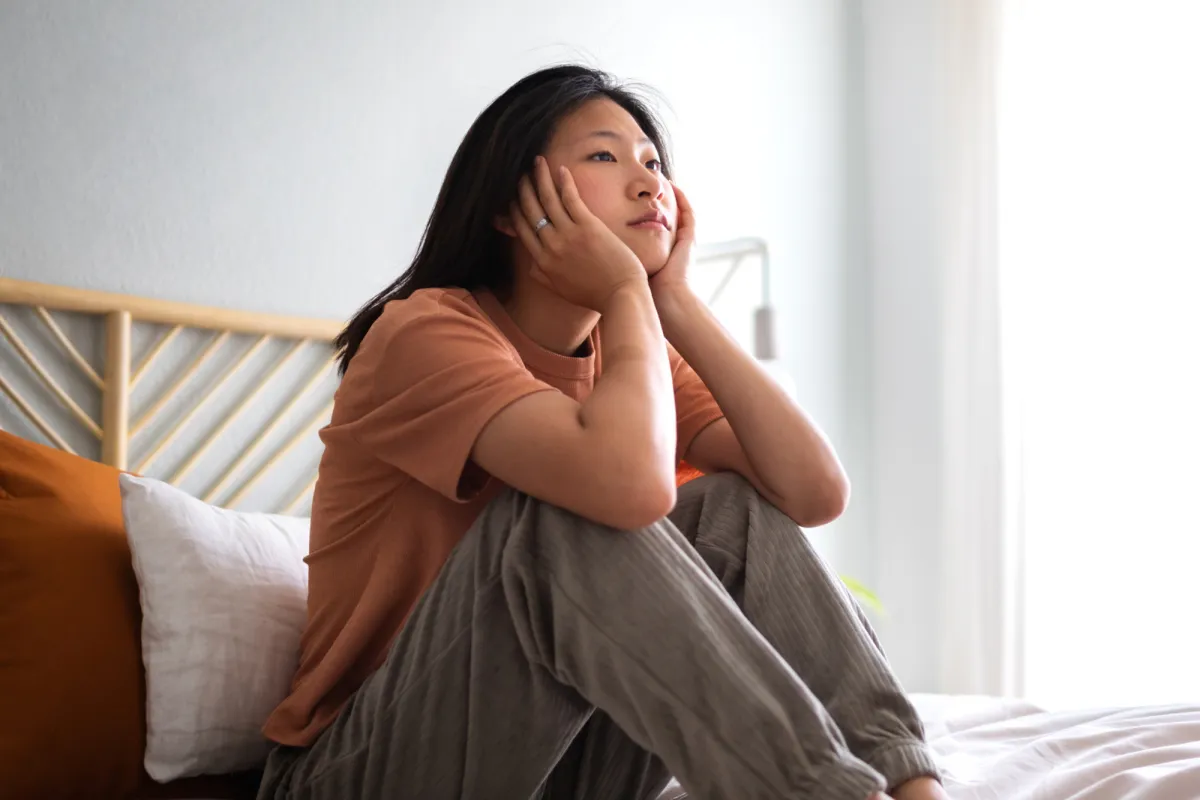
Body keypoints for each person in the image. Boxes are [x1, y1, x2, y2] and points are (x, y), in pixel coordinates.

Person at [256, 65, 948, 800]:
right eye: (604, 156)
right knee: (558, 515)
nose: (648, 182)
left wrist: (673, 300)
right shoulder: (423, 334)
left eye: (653, 161)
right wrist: (625, 290)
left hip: (552, 764)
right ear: (508, 205)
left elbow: (813, 491)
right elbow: (627, 489)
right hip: (361, 770)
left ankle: (909, 789)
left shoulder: (635, 359)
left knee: (732, 510)